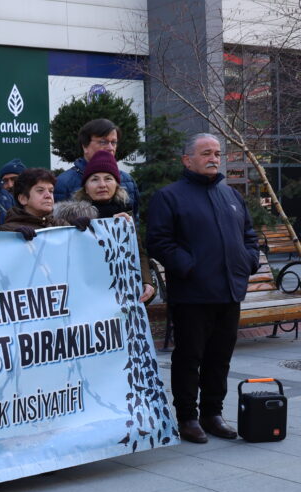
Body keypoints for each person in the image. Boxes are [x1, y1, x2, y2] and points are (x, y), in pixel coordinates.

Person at [147, 133, 260, 444]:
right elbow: (158, 241)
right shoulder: (169, 197)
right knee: (189, 358)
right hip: (192, 294)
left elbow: (250, 236)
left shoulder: (231, 195)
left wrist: (248, 262)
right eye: (206, 153)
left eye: (217, 153)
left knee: (219, 358)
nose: (214, 158)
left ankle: (213, 414)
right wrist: (189, 267)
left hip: (229, 292)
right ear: (187, 160)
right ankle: (187, 417)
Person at [65, 150, 155, 303]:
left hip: (120, 299)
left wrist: (146, 281)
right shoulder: (70, 218)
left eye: (108, 178)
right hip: (86, 298)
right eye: (94, 179)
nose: (102, 185)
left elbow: (138, 252)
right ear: (85, 187)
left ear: (117, 185)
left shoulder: (125, 215)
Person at [53, 118, 141, 217]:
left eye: (113, 142)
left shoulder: (127, 180)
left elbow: (134, 221)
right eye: (103, 142)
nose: (110, 148)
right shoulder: (64, 183)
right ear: (85, 146)